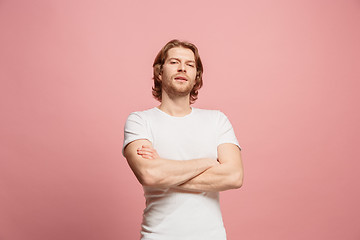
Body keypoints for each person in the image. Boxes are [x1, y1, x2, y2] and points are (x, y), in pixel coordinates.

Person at [122, 39, 244, 240]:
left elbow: (234, 177)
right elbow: (149, 174)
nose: (182, 68)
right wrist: (208, 163)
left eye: (190, 64)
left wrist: (165, 170)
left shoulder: (217, 120)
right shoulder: (139, 121)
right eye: (174, 62)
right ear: (159, 73)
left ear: (197, 77)